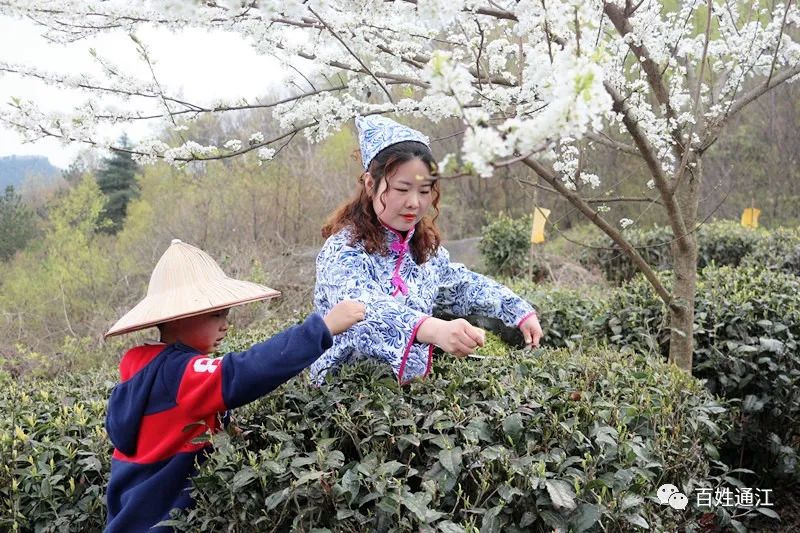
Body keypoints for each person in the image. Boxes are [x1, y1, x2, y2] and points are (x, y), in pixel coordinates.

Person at [103, 239, 364, 532]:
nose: (225, 324)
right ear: (179, 317)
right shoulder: (178, 373)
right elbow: (244, 372)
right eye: (216, 314)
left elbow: (179, 421)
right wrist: (321, 329)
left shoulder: (146, 368)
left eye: (225, 314)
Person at [311, 115, 543, 385]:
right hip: (345, 399)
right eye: (402, 188)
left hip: (409, 395)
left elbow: (461, 285)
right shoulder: (344, 249)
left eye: (424, 191)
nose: (414, 203)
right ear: (370, 184)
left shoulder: (422, 249)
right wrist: (432, 329)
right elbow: (359, 308)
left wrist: (517, 309)